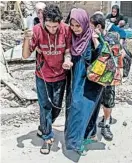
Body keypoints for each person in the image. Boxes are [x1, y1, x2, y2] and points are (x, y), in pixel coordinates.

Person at [22, 4, 72, 154]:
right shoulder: (37, 30)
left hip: (60, 75)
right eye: (48, 26)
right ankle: (47, 138)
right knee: (45, 107)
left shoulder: (66, 30)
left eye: (54, 26)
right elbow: (25, 55)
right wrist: (26, 39)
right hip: (42, 75)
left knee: (56, 107)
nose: (51, 29)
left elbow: (68, 51)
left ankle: (44, 126)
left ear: (60, 22)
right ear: (43, 21)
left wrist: (67, 60)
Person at [65, 8, 103, 155]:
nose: (75, 29)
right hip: (75, 82)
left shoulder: (91, 37)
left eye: (78, 25)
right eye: (72, 25)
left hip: (90, 84)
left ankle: (82, 138)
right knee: (75, 110)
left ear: (85, 23)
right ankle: (75, 141)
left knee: (85, 110)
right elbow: (67, 53)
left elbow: (102, 56)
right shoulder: (71, 38)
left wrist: (96, 40)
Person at [90, 12, 125, 141]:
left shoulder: (111, 38)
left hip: (109, 77)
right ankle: (92, 126)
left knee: (108, 102)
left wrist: (96, 41)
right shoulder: (90, 38)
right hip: (95, 77)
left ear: (98, 26)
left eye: (91, 26)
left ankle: (106, 124)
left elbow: (112, 55)